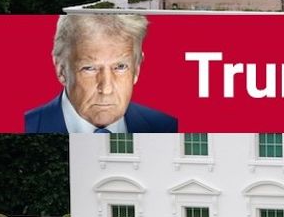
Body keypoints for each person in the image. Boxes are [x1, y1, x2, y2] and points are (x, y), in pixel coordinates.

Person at [25, 14, 177, 134]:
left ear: (136, 69)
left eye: (120, 67)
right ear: (61, 70)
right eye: (89, 68)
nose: (106, 89)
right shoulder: (28, 126)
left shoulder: (166, 126)